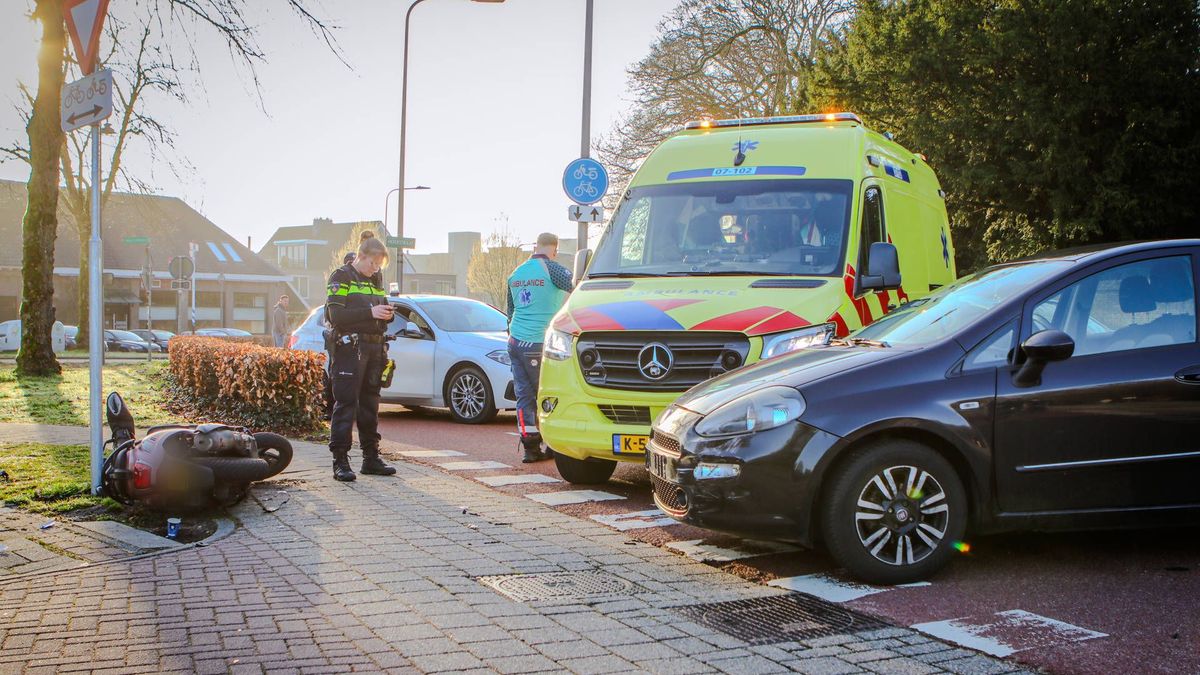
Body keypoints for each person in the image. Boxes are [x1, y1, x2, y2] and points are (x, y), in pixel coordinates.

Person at [325, 235, 397, 482]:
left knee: (370, 404)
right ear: (361, 256)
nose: (375, 269)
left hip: (375, 348)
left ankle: (371, 458)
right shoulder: (341, 277)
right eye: (372, 263)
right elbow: (336, 316)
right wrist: (370, 312)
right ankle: (340, 461)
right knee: (345, 404)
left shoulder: (376, 279)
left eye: (379, 265)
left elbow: (382, 308)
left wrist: (387, 314)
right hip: (350, 350)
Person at [506, 232, 573, 463]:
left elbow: (511, 311)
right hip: (538, 341)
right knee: (549, 394)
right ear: (554, 248)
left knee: (524, 395)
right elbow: (578, 288)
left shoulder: (516, 273)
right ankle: (553, 444)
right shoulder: (552, 269)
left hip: (515, 340)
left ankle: (530, 448)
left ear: (536, 246)